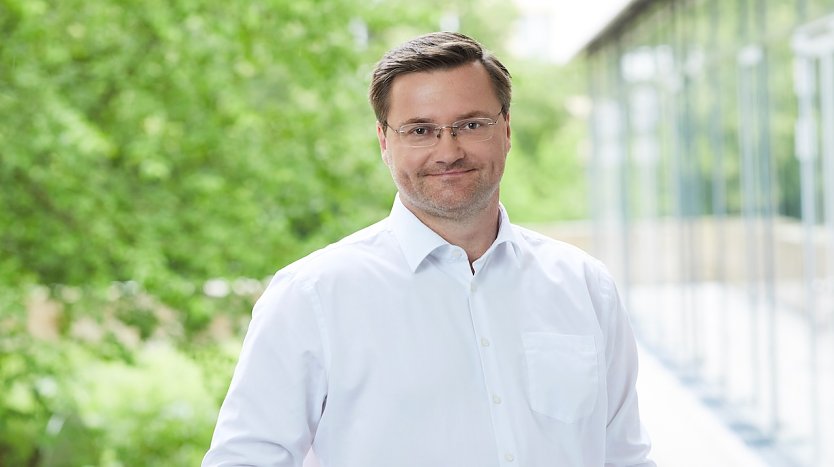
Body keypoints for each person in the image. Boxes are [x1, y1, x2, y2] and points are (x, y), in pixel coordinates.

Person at [203, 31, 655, 467]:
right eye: (420, 130)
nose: (448, 151)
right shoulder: (312, 296)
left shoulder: (585, 286)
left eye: (471, 124)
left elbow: (624, 457)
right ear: (385, 142)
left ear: (507, 129)